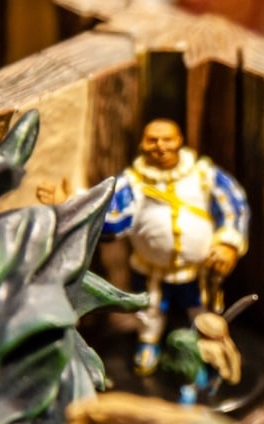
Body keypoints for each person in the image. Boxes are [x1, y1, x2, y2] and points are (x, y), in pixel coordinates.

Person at [101, 119, 250, 375]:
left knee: (201, 309)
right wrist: (75, 203)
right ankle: (148, 343)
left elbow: (233, 206)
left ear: (179, 140)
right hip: (151, 270)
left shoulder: (203, 174)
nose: (160, 146)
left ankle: (203, 347)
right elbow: (111, 220)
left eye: (167, 139)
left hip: (197, 270)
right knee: (149, 310)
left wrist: (228, 244)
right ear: (142, 144)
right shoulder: (132, 183)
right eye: (153, 140)